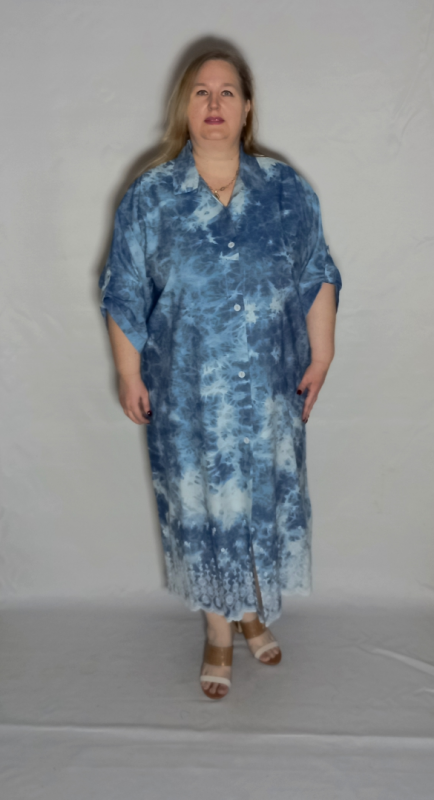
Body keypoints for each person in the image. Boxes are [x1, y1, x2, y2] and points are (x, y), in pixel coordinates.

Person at [99, 47, 342, 700]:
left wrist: (322, 356)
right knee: (205, 510)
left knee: (259, 506)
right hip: (190, 401)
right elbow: (124, 290)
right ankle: (218, 629)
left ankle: (251, 610)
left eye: (227, 91)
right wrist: (128, 373)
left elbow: (317, 271)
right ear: (185, 106)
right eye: (201, 91)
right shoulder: (152, 197)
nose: (213, 103)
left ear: (247, 108)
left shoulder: (286, 191)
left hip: (268, 394)